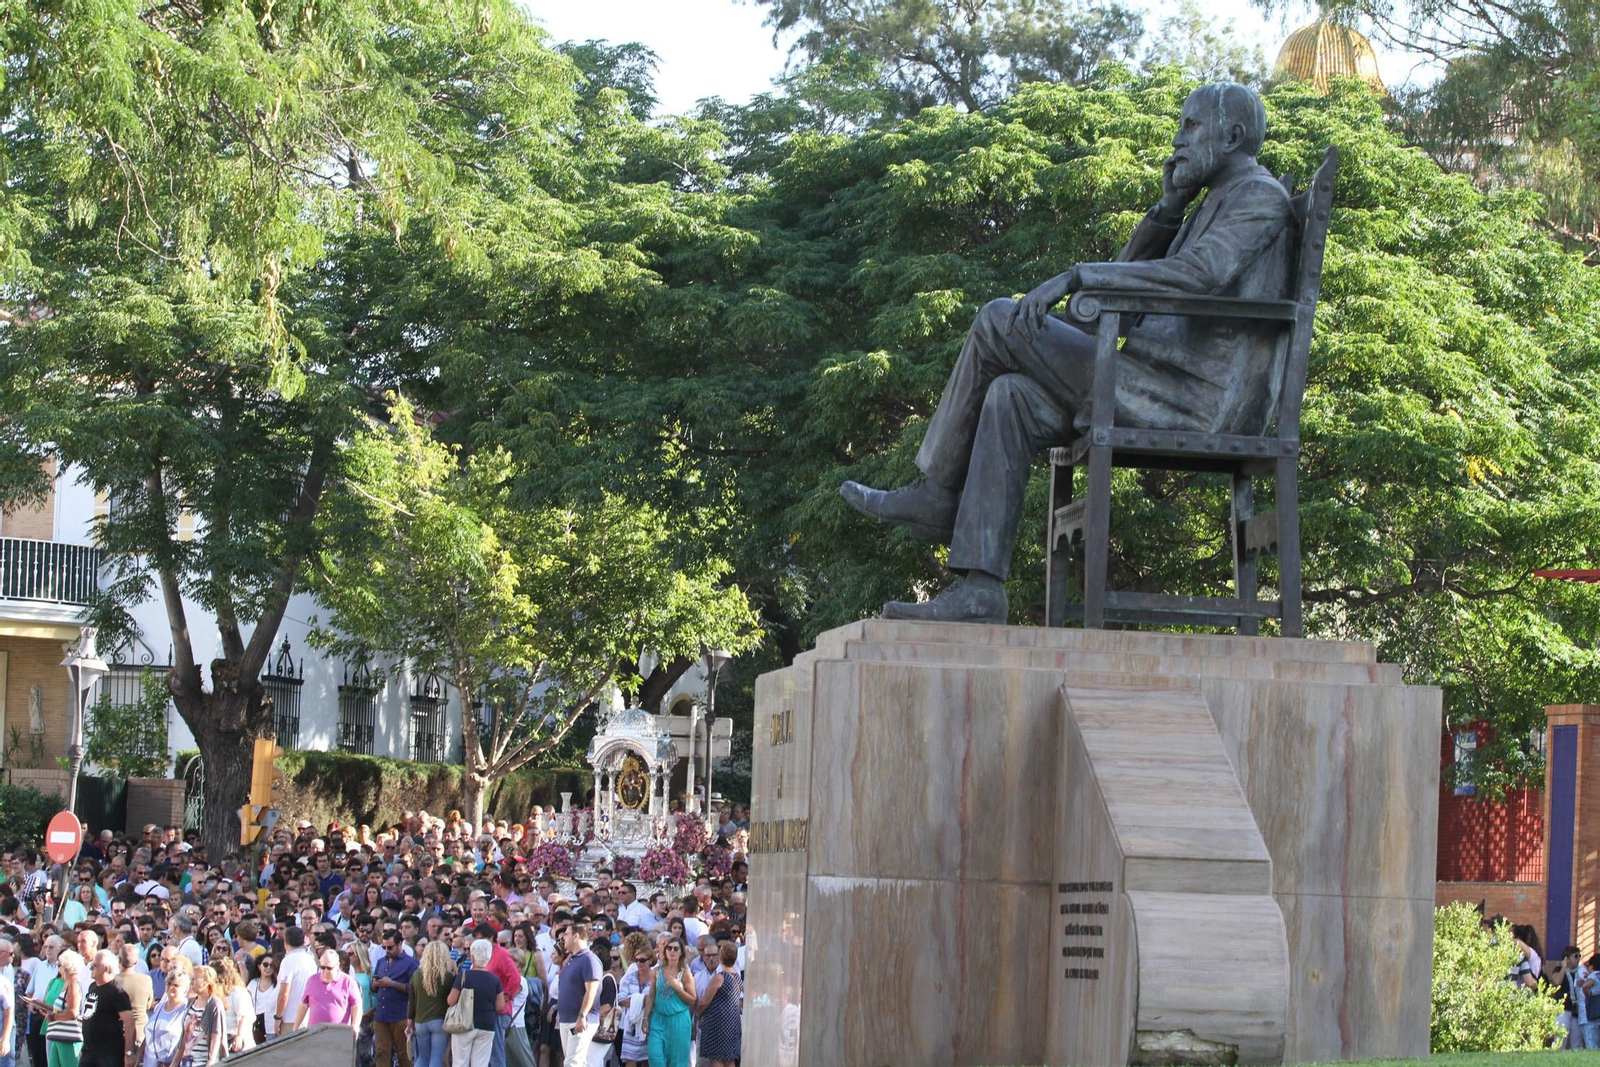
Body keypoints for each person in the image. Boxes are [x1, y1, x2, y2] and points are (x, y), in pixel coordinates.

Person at [840, 82, 1295, 623]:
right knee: (1009, 397)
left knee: (997, 320)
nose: (1177, 141)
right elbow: (1126, 304)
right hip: (1149, 380)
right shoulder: (1210, 203)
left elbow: (1201, 274)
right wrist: (1167, 210)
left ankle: (938, 494)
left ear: (1234, 135)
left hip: (1193, 401)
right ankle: (981, 590)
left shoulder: (1259, 196)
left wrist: (1078, 275)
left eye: (1190, 127)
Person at [447, 940, 504, 1067]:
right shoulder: (495, 979)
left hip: (464, 1023)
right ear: (489, 957)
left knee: (460, 1062)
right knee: (481, 1063)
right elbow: (500, 1006)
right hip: (486, 1025)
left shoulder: (464, 975)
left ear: (472, 957)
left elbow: (451, 1001)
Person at [640, 938, 693, 1067]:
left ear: (681, 952)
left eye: (676, 948)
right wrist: (646, 1017)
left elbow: (692, 999)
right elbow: (651, 996)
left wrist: (677, 988)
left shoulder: (685, 973)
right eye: (669, 948)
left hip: (678, 1020)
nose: (672, 951)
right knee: (655, 1058)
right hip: (658, 1019)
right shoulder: (656, 971)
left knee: (677, 1062)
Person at [552, 925, 600, 1067]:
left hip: (580, 1019)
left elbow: (591, 990)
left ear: (576, 936)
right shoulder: (572, 959)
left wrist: (582, 1015)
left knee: (573, 1063)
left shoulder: (589, 959)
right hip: (567, 1018)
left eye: (566, 934)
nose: (563, 938)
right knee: (576, 1061)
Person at [79, 951, 134, 1067]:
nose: (91, 968)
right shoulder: (92, 987)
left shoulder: (117, 991)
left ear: (106, 968)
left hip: (109, 1054)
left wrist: (129, 1053)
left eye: (94, 965)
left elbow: (129, 1023)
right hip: (89, 1051)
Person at [372, 930, 417, 1067]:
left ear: (399, 944)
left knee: (404, 1055)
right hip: (381, 1015)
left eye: (390, 947)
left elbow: (414, 990)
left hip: (400, 1016)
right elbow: (373, 987)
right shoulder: (381, 962)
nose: (387, 950)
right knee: (381, 1053)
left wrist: (392, 984)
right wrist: (375, 984)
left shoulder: (411, 963)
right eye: (384, 947)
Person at [293, 951, 361, 1036]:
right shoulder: (312, 980)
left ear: (337, 965)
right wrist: (295, 1029)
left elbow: (356, 1006)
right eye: (322, 967)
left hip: (339, 1035)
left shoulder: (348, 982)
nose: (325, 971)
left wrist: (355, 1026)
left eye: (329, 968)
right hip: (314, 1035)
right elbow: (303, 1005)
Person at [694, 943, 741, 1067]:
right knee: (729, 1058)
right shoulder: (736, 975)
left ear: (721, 957)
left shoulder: (719, 977)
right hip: (732, 1022)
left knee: (717, 1058)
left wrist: (697, 1015)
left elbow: (704, 1002)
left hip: (718, 1023)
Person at [406, 942, 452, 1067]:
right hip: (439, 1021)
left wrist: (410, 1020)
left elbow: (412, 1000)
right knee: (436, 1058)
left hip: (420, 1021)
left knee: (422, 1057)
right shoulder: (448, 976)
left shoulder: (417, 975)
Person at [43, 947, 85, 1067]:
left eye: (60, 965)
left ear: (67, 967)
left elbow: (73, 1012)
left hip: (69, 1038)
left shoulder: (73, 985)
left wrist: (53, 1017)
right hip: (59, 1035)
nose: (58, 968)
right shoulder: (68, 985)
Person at [615, 933, 652, 1067]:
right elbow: (621, 999)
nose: (639, 963)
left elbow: (656, 1001)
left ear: (650, 961)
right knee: (630, 1059)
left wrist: (637, 1001)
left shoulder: (656, 979)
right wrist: (643, 1001)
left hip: (649, 1024)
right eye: (637, 960)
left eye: (642, 960)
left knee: (647, 1060)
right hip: (631, 1024)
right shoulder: (630, 977)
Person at [141, 965, 189, 1067]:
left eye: (176, 985)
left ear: (185, 988)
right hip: (149, 1063)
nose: (171, 987)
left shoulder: (186, 1009)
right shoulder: (160, 1006)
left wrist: (173, 1063)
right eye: (168, 984)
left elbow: (185, 1041)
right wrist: (138, 1057)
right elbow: (150, 1034)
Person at [179, 965, 224, 1067]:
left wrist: (211, 1061)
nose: (191, 982)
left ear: (205, 982)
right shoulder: (190, 1002)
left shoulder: (214, 1004)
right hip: (186, 1062)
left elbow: (216, 1036)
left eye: (194, 979)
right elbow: (183, 1038)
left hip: (202, 1062)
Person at [114, 944, 154, 1054]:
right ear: (136, 962)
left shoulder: (113, 982)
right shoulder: (146, 980)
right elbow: (148, 1005)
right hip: (141, 1031)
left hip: (118, 1031)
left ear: (119, 959)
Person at [275, 928, 315, 1036]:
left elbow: (284, 994)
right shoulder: (311, 959)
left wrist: (278, 1017)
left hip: (290, 1020)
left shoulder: (288, 960)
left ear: (285, 942)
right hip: (308, 1018)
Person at [211, 957, 254, 1055]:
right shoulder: (217, 993)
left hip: (238, 1040)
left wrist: (239, 1036)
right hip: (223, 1038)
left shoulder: (237, 992)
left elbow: (243, 1016)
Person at [246, 956, 279, 1045]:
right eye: (265, 965)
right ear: (259, 966)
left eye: (271, 965)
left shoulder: (277, 984)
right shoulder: (253, 983)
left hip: (272, 1024)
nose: (268, 968)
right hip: (256, 1023)